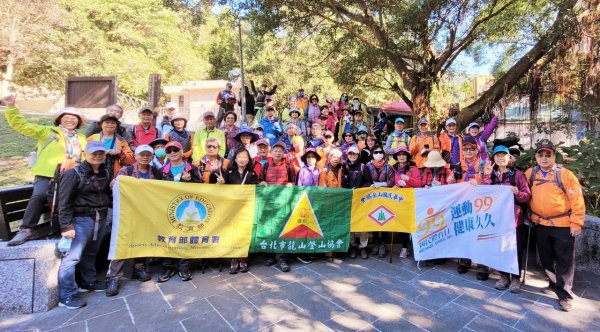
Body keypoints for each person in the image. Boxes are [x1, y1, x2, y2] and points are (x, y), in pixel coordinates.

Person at [3, 95, 87, 246]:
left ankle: (57, 231)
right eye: (67, 117)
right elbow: (21, 125)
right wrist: (11, 107)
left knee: (64, 201)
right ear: (60, 119)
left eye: (74, 118)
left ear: (79, 122)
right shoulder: (47, 131)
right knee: (39, 195)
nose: (70, 120)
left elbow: (86, 156)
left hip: (69, 175)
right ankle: (26, 229)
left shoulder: (81, 138)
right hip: (47, 173)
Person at [525, 141, 585, 311]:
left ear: (554, 157)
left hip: (562, 225)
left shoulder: (565, 175)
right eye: (540, 155)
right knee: (545, 256)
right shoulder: (530, 173)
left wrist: (576, 222)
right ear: (536, 156)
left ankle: (564, 294)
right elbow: (522, 191)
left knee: (564, 260)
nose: (544, 158)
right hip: (540, 223)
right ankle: (553, 282)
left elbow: (577, 200)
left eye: (548, 155)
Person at [56, 141, 112, 309]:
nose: (97, 156)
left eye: (101, 153)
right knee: (72, 258)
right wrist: (66, 226)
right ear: (85, 154)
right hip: (81, 219)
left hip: (100, 217)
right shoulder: (73, 173)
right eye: (94, 153)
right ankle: (67, 294)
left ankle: (88, 282)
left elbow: (106, 195)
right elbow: (63, 202)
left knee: (91, 252)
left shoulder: (105, 172)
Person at [105, 145, 158, 296]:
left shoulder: (155, 172)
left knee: (143, 239)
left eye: (148, 155)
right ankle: (113, 277)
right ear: (135, 156)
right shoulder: (126, 171)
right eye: (142, 154)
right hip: (128, 213)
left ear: (152, 157)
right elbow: (113, 185)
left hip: (147, 213)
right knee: (122, 241)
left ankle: (138, 268)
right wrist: (115, 184)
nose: (145, 157)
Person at [156, 141, 201, 283]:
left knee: (184, 237)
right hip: (166, 209)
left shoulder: (192, 168)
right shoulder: (161, 171)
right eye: (169, 151)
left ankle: (184, 267)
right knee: (167, 237)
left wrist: (191, 180)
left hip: (185, 210)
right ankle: (168, 267)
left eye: (175, 149)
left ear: (182, 151)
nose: (172, 153)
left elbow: (201, 190)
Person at [490, 145, 532, 293]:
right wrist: (481, 179)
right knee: (500, 249)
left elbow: (527, 195)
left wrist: (517, 193)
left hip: (515, 219)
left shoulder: (518, 175)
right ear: (493, 158)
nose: (501, 157)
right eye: (497, 155)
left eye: (504, 155)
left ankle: (515, 278)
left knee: (515, 250)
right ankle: (503, 276)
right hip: (497, 219)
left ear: (509, 158)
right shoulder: (491, 175)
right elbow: (481, 193)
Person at [211, 148, 259, 274]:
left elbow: (256, 190)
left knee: (243, 233)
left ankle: (243, 258)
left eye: (245, 157)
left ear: (248, 159)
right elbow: (217, 185)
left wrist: (262, 184)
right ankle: (233, 259)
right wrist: (220, 183)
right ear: (235, 159)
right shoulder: (229, 172)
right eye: (239, 156)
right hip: (230, 210)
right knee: (232, 233)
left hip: (245, 209)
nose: (242, 159)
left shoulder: (252, 174)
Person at [456, 136, 493, 278]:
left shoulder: (485, 164)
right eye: (465, 149)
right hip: (464, 205)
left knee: (481, 235)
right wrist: (450, 179)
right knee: (465, 233)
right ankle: (465, 261)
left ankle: (483, 266)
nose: (469, 151)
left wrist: (482, 182)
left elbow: (490, 183)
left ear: (477, 149)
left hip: (481, 206)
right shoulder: (459, 165)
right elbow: (454, 184)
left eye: (471, 148)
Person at [259, 142, 295, 272]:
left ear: (284, 153)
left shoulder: (289, 166)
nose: (278, 153)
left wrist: (291, 184)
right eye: (276, 150)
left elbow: (293, 181)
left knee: (282, 229)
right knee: (269, 228)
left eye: (281, 151)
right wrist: (262, 182)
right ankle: (270, 255)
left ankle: (281, 257)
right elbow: (260, 181)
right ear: (271, 152)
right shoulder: (265, 166)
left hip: (283, 203)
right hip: (268, 202)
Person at [391, 147, 422, 258]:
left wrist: (408, 179)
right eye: (399, 155)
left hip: (411, 200)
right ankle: (404, 247)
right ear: (396, 157)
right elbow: (390, 182)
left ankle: (415, 247)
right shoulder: (392, 168)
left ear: (407, 156)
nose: (402, 156)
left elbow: (419, 184)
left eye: (404, 154)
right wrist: (394, 186)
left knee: (412, 224)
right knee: (401, 224)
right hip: (398, 200)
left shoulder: (413, 168)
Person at [343, 146, 373, 259]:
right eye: (350, 154)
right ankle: (353, 246)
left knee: (362, 224)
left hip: (361, 200)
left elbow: (368, 182)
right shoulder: (345, 166)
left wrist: (359, 190)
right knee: (351, 224)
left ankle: (363, 246)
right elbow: (342, 181)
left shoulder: (363, 166)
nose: (352, 155)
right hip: (348, 199)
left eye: (354, 154)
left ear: (358, 154)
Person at [366, 145, 394, 258]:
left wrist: (382, 184)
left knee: (385, 219)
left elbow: (392, 181)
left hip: (385, 197)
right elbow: (365, 180)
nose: (378, 154)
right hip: (372, 197)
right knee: (373, 218)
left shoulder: (389, 166)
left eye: (380, 152)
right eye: (376, 152)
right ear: (372, 154)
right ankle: (376, 242)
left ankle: (383, 243)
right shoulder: (368, 166)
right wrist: (371, 185)